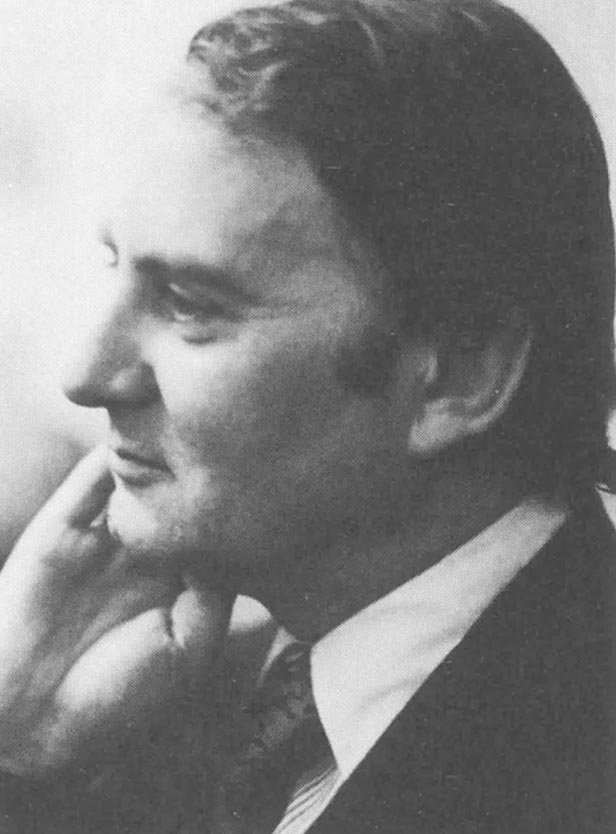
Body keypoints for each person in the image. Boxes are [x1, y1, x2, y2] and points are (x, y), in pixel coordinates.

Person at [0, 0, 613, 831]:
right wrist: (20, 750)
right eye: (114, 266)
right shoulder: (150, 709)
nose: (85, 374)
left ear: (456, 378)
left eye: (189, 303)